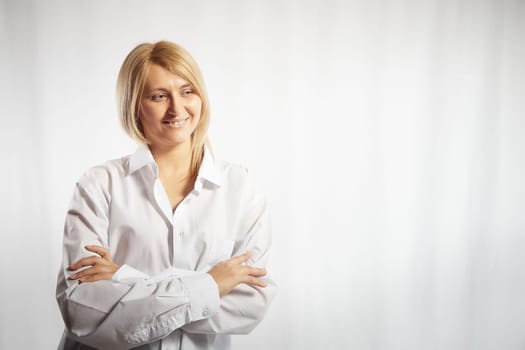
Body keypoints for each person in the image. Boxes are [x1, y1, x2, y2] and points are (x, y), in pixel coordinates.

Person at [55, 41, 277, 350]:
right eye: (159, 96)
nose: (177, 108)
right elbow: (81, 311)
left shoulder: (239, 188)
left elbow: (249, 306)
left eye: (187, 91)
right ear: (135, 106)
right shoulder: (99, 185)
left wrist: (123, 278)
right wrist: (211, 285)